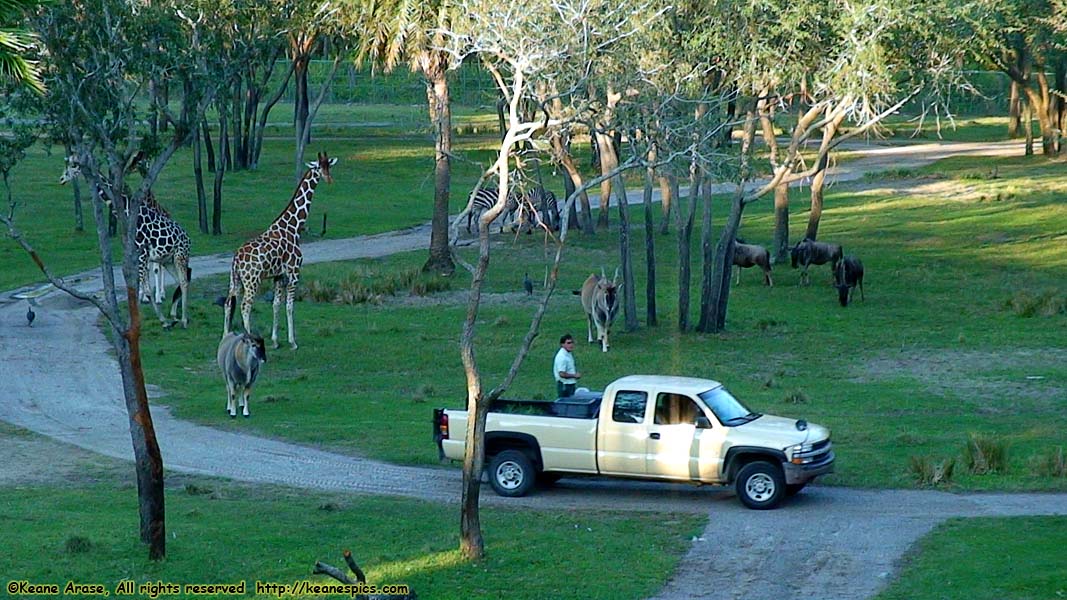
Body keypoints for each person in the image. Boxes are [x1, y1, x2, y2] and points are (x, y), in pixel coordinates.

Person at [553, 334, 581, 398]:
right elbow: (562, 374)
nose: (571, 345)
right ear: (562, 344)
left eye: (572, 342)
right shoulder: (562, 357)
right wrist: (575, 375)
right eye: (568, 343)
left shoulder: (568, 353)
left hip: (569, 384)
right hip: (565, 386)